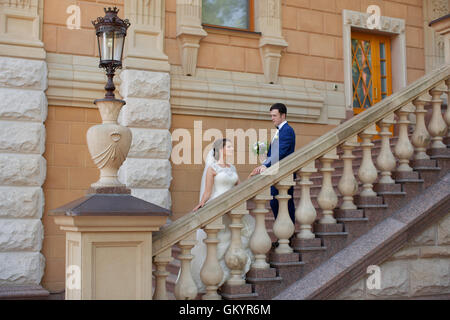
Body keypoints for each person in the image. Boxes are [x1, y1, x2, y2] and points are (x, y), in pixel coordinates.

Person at [189, 139, 255, 293]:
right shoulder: (212, 169)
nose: (232, 149)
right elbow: (207, 192)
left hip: (231, 209)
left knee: (239, 234)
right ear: (221, 149)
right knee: (218, 241)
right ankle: (214, 278)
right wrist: (201, 204)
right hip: (217, 207)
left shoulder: (232, 167)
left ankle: (231, 271)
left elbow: (240, 188)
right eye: (229, 146)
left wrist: (251, 176)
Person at [250, 103, 296, 224]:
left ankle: (288, 235)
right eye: (271, 116)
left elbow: (280, 152)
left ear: (283, 115)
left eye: (274, 115)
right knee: (276, 203)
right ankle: (284, 234)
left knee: (283, 204)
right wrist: (263, 154)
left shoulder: (287, 130)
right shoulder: (280, 130)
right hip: (277, 173)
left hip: (284, 174)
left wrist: (265, 165)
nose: (272, 118)